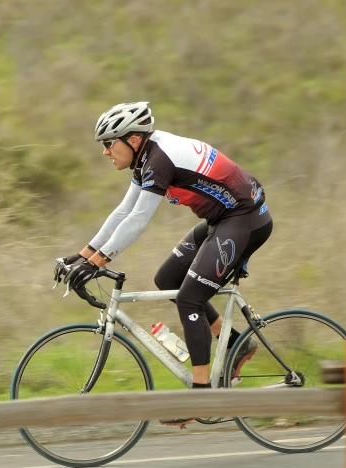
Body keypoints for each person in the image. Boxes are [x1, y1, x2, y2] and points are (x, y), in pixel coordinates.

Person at [60, 101, 273, 427]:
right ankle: (233, 343)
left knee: (190, 297)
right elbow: (122, 212)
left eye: (108, 143)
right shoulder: (146, 156)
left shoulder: (159, 158)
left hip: (245, 220)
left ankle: (201, 394)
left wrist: (100, 261)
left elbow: (139, 220)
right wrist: (84, 256)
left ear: (131, 139)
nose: (104, 152)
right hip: (222, 219)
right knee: (168, 279)